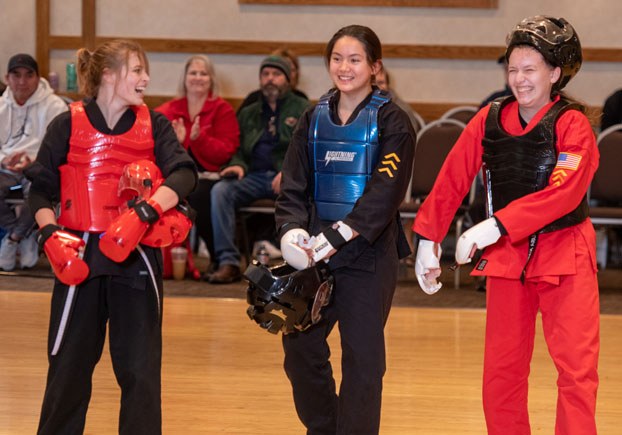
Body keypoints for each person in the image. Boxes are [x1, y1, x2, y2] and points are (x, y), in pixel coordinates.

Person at [413, 16, 599, 434]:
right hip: (508, 260)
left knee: (576, 372)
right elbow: (452, 177)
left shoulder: (573, 124)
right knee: (501, 373)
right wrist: (428, 238)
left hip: (565, 253)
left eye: (529, 69)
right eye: (513, 69)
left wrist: (496, 225)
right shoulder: (489, 118)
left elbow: (564, 192)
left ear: (555, 73)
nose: (519, 79)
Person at [26, 40, 197, 435]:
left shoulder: (154, 124)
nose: (146, 78)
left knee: (140, 372)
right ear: (108, 74)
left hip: (136, 259)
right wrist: (50, 232)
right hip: (79, 258)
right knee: (67, 368)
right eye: (137, 70)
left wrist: (146, 210)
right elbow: (40, 190)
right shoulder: (67, 124)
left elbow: (184, 174)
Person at [276, 24, 415, 434]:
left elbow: (384, 194)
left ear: (375, 67)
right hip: (315, 258)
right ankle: (325, 427)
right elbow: (293, 184)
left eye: (355, 59)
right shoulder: (312, 117)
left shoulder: (393, 122)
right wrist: (290, 229)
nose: (344, 67)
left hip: (367, 256)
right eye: (337, 58)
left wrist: (339, 235)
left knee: (363, 362)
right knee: (300, 348)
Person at [207, 55, 309, 284]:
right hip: (253, 176)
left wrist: (289, 173)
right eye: (265, 74)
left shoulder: (303, 108)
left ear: (288, 79)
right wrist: (237, 164)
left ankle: (301, 263)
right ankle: (229, 262)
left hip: (285, 177)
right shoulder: (249, 112)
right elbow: (237, 147)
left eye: (276, 74)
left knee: (308, 195)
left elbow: (308, 149)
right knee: (221, 191)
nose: (270, 79)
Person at [155, 55, 239, 266]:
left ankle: (218, 259)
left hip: (212, 174)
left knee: (201, 194)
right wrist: (180, 142)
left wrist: (199, 139)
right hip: (177, 174)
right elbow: (156, 149)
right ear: (184, 78)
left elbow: (225, 152)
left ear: (211, 79)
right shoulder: (167, 111)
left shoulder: (222, 110)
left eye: (204, 74)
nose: (198, 78)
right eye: (193, 73)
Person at [0, 53, 68, 271]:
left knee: (40, 187)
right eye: (16, 75)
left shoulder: (55, 106)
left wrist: (34, 161)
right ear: (7, 78)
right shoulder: (1, 106)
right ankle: (23, 233)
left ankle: (13, 239)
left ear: (38, 78)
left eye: (29, 75)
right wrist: (3, 160)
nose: (22, 81)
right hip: (6, 169)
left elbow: (61, 149)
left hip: (39, 167)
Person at [237, 47, 308, 113]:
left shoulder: (302, 102)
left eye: (292, 70)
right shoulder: (253, 99)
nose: (270, 78)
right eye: (266, 73)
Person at [374, 65, 422, 133]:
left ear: (388, 86)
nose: (377, 87)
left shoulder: (401, 110)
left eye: (381, 83)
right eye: (372, 83)